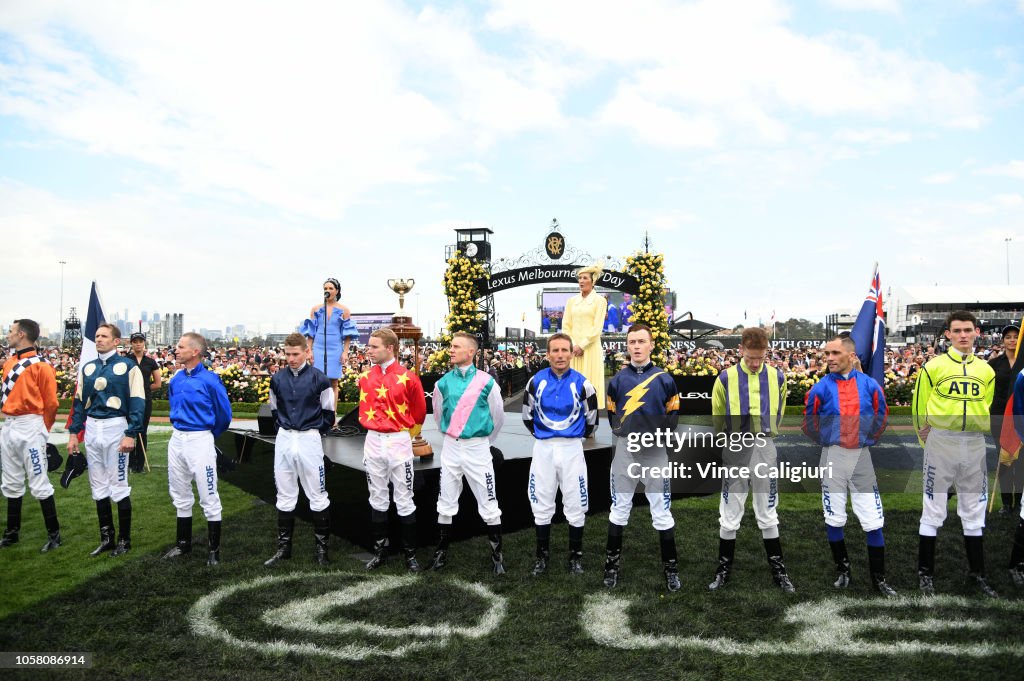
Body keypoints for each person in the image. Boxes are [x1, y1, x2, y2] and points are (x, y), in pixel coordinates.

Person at [802, 336, 897, 597]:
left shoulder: (870, 386)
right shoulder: (820, 388)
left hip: (861, 457)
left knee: (872, 518)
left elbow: (881, 416)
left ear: (851, 356)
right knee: (833, 516)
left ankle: (879, 579)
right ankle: (842, 571)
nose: (829, 358)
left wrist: (865, 441)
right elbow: (809, 423)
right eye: (827, 354)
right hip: (832, 456)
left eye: (835, 353)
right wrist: (829, 442)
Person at [912, 310, 996, 597]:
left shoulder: (986, 370)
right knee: (933, 509)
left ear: (976, 333)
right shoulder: (933, 367)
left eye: (968, 330)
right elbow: (919, 407)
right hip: (941, 442)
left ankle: (978, 574)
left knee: (974, 510)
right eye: (957, 330)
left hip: (973, 443)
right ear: (947, 334)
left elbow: (986, 403)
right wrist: (927, 443)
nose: (963, 335)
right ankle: (925, 575)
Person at [709, 326, 794, 593]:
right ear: (741, 351)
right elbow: (717, 416)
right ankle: (723, 570)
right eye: (750, 358)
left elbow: (779, 411)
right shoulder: (725, 378)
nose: (756, 363)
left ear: (766, 352)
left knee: (768, 511)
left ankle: (779, 571)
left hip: (764, 447)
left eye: (760, 358)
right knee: (730, 511)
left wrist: (766, 435)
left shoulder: (777, 377)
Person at [603, 324, 681, 592]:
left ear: (651, 345)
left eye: (641, 341)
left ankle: (671, 569)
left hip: (655, 450)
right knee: (619, 507)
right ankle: (611, 567)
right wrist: (625, 434)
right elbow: (612, 413)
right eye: (631, 341)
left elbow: (673, 414)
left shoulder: (665, 379)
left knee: (661, 509)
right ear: (627, 345)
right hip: (625, 450)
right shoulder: (617, 380)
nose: (636, 346)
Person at [426, 332, 506, 575]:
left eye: (456, 346)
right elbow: (438, 414)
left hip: (478, 448)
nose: (450, 350)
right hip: (451, 447)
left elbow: (497, 415)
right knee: (445, 501)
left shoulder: (487, 381)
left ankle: (497, 556)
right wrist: (453, 437)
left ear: (471, 352)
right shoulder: (442, 383)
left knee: (488, 502)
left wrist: (482, 441)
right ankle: (440, 554)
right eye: (451, 346)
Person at [522, 332, 598, 576]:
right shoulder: (535, 381)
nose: (560, 355)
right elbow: (527, 416)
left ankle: (575, 558)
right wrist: (545, 436)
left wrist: (574, 436)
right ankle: (541, 558)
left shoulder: (583, 383)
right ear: (548, 354)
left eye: (564, 350)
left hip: (572, 449)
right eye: (555, 350)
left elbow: (592, 421)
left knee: (575, 503)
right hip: (543, 449)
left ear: (571, 352)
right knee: (541, 503)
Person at [68, 323, 146, 557]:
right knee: (99, 485)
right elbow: (79, 403)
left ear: (116, 342)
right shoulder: (88, 368)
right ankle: (107, 538)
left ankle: (124, 540)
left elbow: (137, 402)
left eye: (104, 336)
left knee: (119, 485)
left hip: (116, 427)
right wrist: (74, 433)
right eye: (97, 336)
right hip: (92, 428)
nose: (99, 339)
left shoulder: (129, 366)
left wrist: (131, 433)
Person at [263, 332, 336, 567]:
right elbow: (274, 409)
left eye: (296, 354)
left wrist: (314, 432)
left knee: (318, 494)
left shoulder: (320, 379)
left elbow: (328, 413)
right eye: (287, 354)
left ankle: (322, 551)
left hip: (309, 439)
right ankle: (284, 549)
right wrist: (284, 429)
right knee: (284, 495)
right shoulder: (277, 379)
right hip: (285, 438)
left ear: (307, 352)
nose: (291, 358)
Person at [358, 328, 427, 572]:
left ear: (390, 348)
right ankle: (380, 552)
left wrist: (404, 437)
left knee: (404, 498)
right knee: (377, 497)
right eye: (370, 346)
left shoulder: (409, 378)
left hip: (398, 440)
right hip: (373, 441)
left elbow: (419, 413)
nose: (370, 350)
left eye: (374, 346)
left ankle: (410, 555)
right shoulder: (365, 377)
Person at [163, 333, 233, 565]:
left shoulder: (211, 380)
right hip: (177, 439)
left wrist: (207, 437)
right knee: (179, 492)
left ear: (195, 352)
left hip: (200, 439)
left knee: (208, 494)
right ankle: (183, 544)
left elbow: (224, 415)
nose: (177, 350)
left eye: (181, 347)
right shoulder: (176, 379)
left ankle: (214, 550)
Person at [0, 319, 61, 553]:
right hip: (10, 425)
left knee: (39, 481)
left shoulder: (42, 365)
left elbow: (52, 403)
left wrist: (43, 430)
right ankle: (11, 533)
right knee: (11, 481)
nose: (8, 335)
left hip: (31, 425)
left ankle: (54, 535)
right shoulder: (9, 364)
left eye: (11, 331)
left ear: (22, 334)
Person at [300, 277, 359, 409]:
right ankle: (317, 413)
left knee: (333, 382)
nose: (327, 290)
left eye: (330, 288)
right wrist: (309, 350)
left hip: (335, 347)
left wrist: (345, 352)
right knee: (316, 381)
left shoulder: (344, 310)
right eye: (325, 288)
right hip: (319, 347)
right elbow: (311, 332)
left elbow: (348, 334)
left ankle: (332, 416)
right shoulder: (316, 309)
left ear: (337, 291)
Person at [563, 264, 608, 408]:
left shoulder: (600, 301)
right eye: (579, 278)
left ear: (592, 280)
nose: (581, 281)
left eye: (584, 278)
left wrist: (582, 345)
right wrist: (573, 345)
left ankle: (590, 424)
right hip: (574, 350)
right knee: (572, 385)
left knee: (590, 382)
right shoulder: (571, 301)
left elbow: (597, 328)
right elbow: (566, 325)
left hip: (591, 349)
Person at [990, 324, 1021, 514]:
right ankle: (1006, 503)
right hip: (999, 418)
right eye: (1008, 337)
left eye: (1015, 337)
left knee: (1021, 462)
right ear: (1003, 340)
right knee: (1004, 462)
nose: (1012, 340)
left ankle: (1019, 503)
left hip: (1020, 417)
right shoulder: (994, 364)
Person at [126, 332, 162, 473]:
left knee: (142, 431)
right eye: (135, 341)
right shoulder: (126, 360)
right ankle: (129, 463)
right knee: (129, 431)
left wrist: (142, 390)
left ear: (144, 343)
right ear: (131, 343)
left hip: (145, 400)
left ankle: (139, 464)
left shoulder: (151, 362)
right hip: (129, 401)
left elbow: (158, 384)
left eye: (140, 341)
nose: (138, 344)